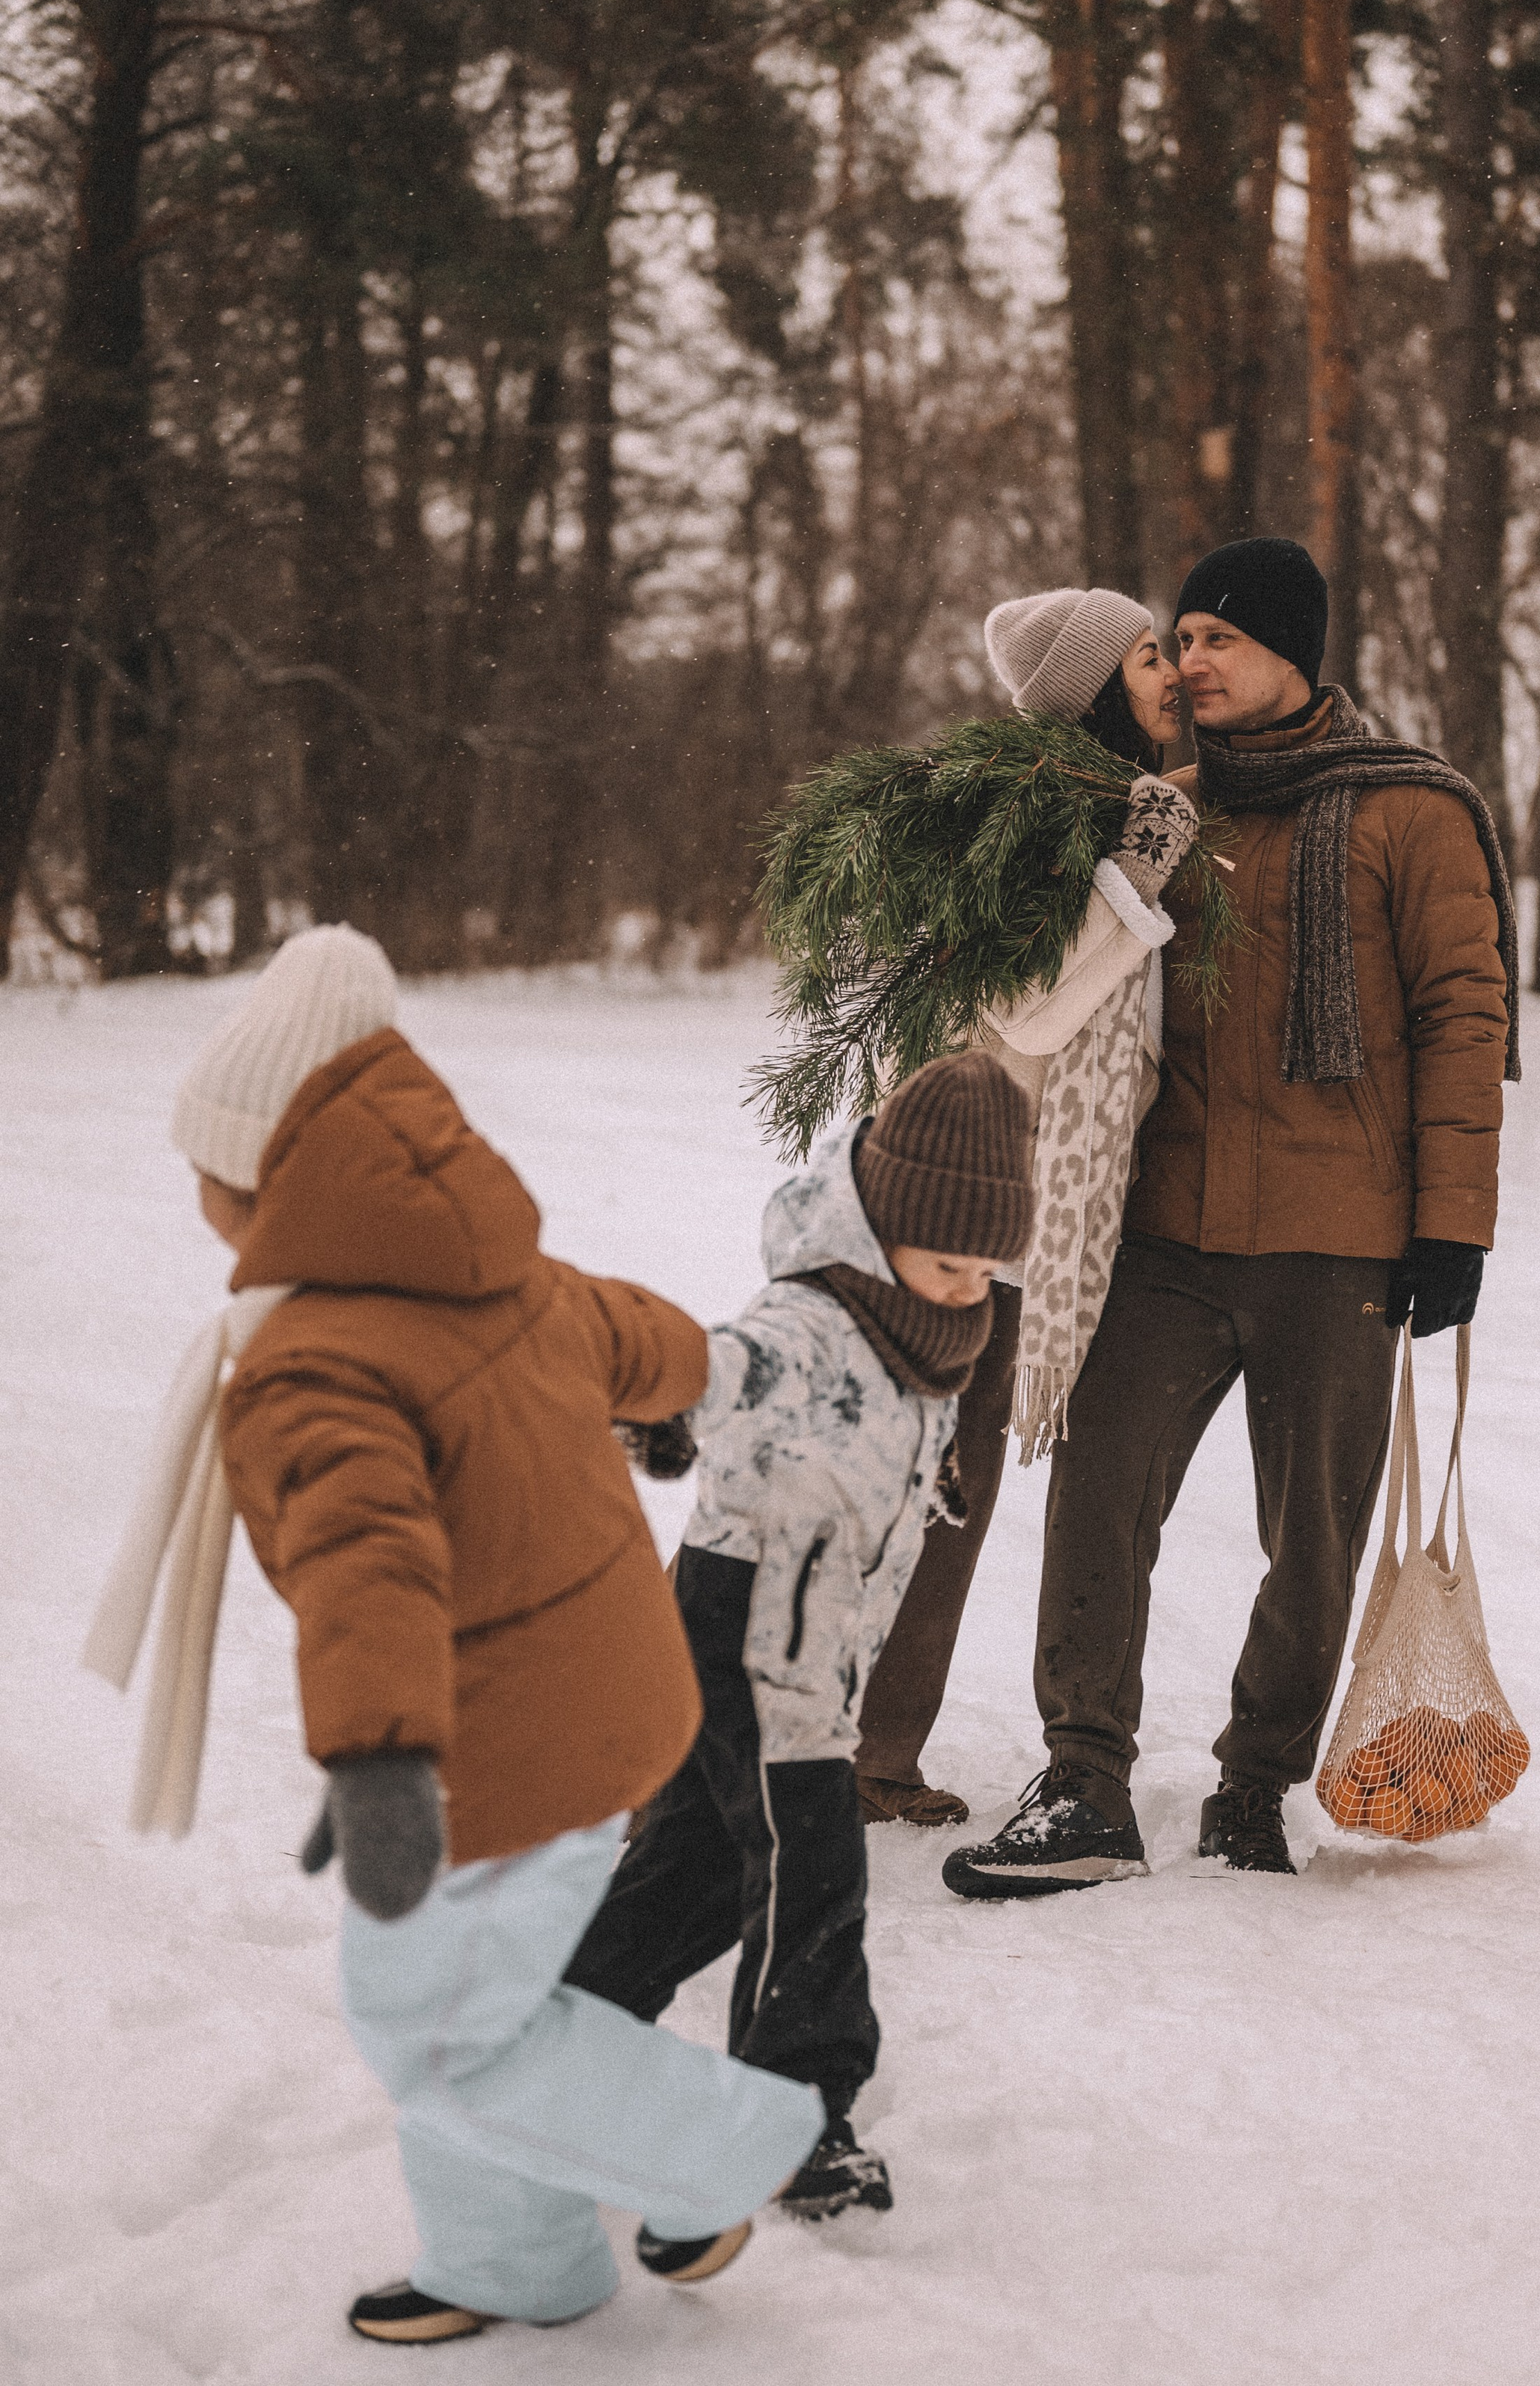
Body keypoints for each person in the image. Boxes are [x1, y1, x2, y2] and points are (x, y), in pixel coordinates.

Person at [165, 927, 823, 2346]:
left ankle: (714, 2153)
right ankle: (517, 2260)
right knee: (479, 2009)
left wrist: (384, 1756)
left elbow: (369, 1562)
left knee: (434, 2025)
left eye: (209, 1173)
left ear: (263, 1183)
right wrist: (674, 1395)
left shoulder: (312, 1360)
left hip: (502, 1743)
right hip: (608, 1695)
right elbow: (631, 1328)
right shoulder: (491, 1267)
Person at [943, 536, 1521, 1898]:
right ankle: (1083, 1778)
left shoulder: (1411, 812)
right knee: (1097, 1492)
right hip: (1167, 1231)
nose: (1188, 662)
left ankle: (1254, 1783)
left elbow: (1463, 1020)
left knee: (1311, 1535)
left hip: (1342, 1237)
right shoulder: (1163, 813)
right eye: (1180, 637)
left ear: (1288, 655)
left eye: (1216, 638)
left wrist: (1457, 1226)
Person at [565, 1053, 1036, 2218]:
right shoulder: (816, 1313)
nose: (964, 1285)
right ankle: (793, 2118)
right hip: (755, 1623)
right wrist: (669, 1409)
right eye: (944, 1259)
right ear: (883, 1221)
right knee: (815, 1860)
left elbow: (895, 1438)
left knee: (702, 1864)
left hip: (814, 1634)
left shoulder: (931, 1325)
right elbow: (735, 1366)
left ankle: (562, 2029)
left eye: (984, 1266)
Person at [853, 589, 1194, 1829]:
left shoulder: (1115, 807)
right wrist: (1133, 876)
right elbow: (1027, 1007)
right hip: (958, 1202)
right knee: (893, 1483)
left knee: (950, 1494)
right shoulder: (1035, 816)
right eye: (1150, 656)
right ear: (1096, 684)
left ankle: (876, 1752)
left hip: (1020, 1214)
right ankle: (764, 1733)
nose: (1172, 671)